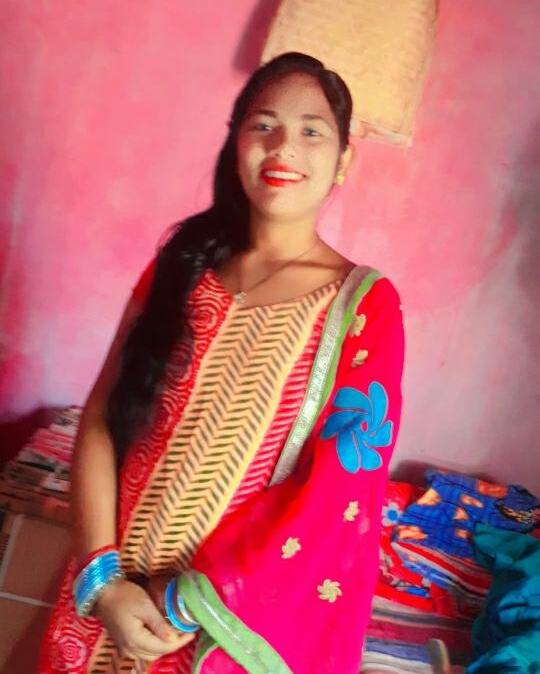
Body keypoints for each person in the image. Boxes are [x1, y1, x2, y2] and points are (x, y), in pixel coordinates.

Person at [38, 51, 405, 673]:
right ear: (235, 144)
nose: (283, 146)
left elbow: (340, 492)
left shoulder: (363, 305)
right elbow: (101, 417)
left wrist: (185, 605)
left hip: (216, 626)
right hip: (108, 595)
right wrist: (102, 581)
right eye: (263, 125)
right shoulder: (181, 268)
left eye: (311, 131)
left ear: (343, 160)